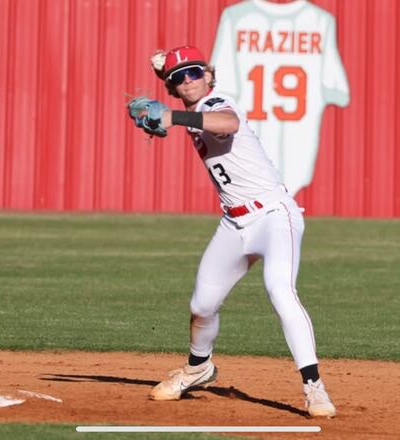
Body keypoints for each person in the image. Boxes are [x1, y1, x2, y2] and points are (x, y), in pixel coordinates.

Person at [136, 45, 336, 418]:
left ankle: (314, 387)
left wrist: (171, 114)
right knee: (201, 306)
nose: (189, 80)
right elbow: (180, 93)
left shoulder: (218, 102)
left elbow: (225, 124)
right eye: (180, 78)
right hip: (234, 223)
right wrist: (165, 71)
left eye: (195, 72)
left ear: (209, 76)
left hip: (275, 216)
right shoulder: (192, 106)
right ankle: (199, 369)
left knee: (280, 291)